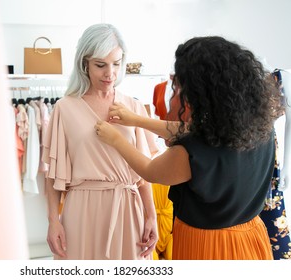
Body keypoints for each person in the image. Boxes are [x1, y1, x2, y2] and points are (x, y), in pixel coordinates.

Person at [94, 36, 283, 260]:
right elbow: (187, 129)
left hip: (209, 246)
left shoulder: (190, 152)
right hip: (251, 236)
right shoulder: (258, 128)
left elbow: (150, 170)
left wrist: (116, 140)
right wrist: (137, 120)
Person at [42, 23, 158, 260]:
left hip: (127, 209)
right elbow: (52, 176)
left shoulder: (134, 107)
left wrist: (151, 216)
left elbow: (144, 172)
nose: (110, 74)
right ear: (85, 63)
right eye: (100, 65)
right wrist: (53, 221)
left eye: (116, 63)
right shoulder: (65, 108)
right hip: (81, 211)